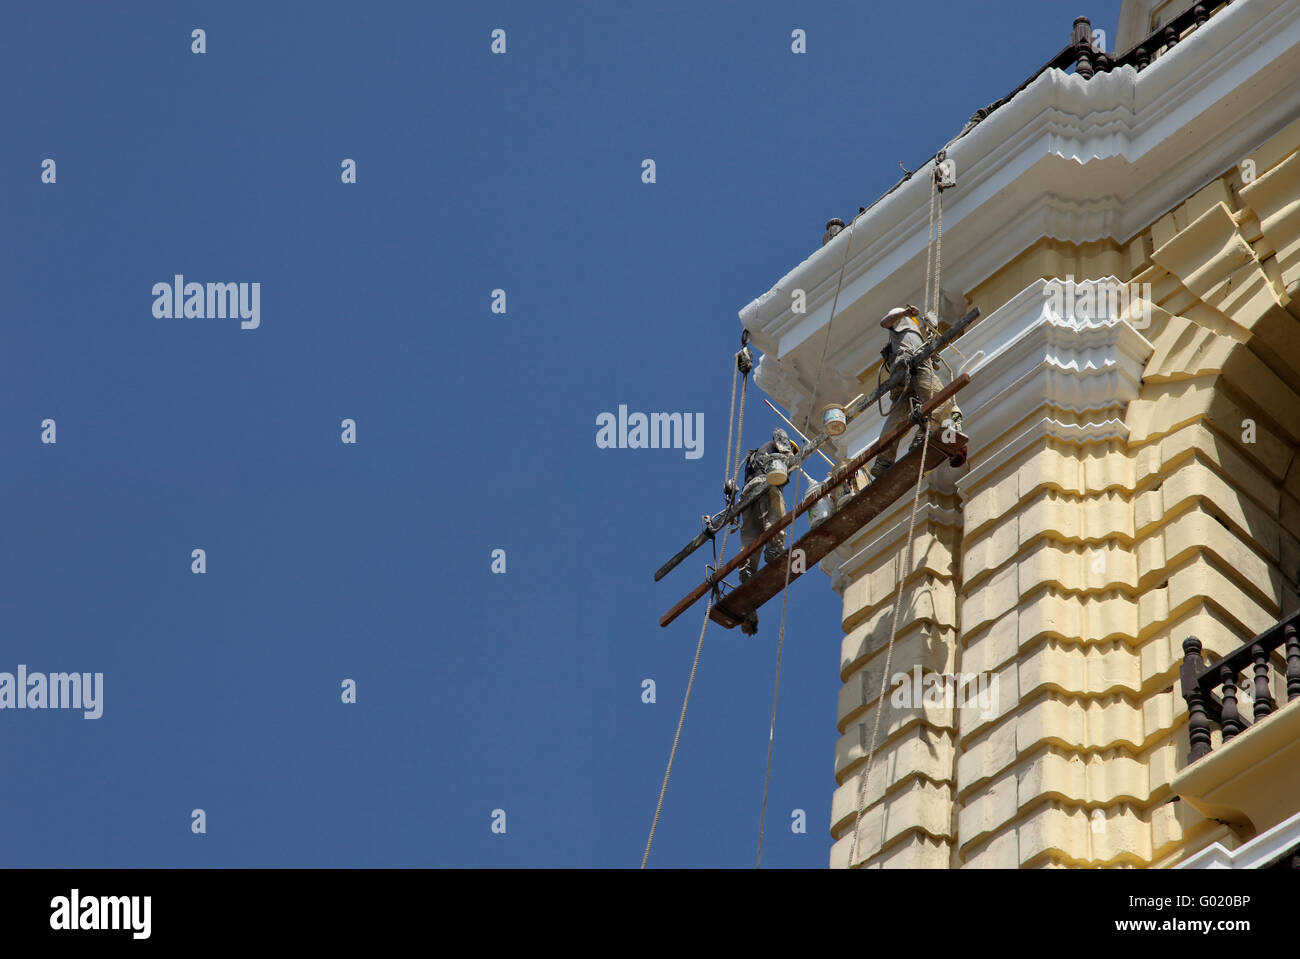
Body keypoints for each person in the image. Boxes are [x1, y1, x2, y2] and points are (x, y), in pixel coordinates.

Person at [870, 305, 963, 480]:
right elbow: (884, 322)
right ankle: (924, 433)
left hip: (901, 375)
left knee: (896, 420)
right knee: (942, 402)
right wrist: (905, 313)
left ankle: (882, 461)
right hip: (914, 364)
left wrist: (930, 327)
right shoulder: (899, 322)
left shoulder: (910, 333)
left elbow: (927, 343)